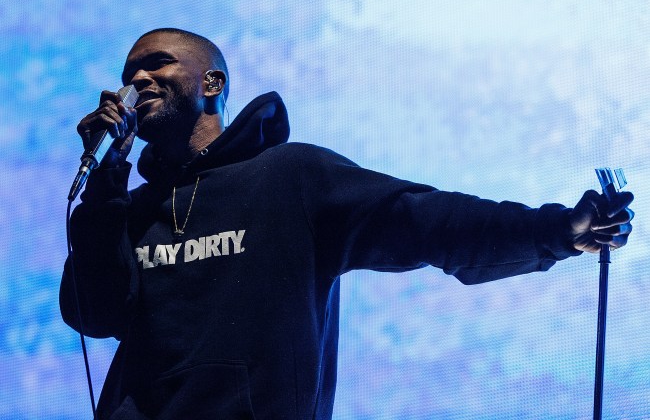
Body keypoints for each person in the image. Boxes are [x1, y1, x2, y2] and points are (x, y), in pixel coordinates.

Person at [60, 28, 634, 420]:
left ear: (212, 83)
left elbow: (427, 219)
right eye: (129, 71)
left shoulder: (291, 177)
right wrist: (107, 180)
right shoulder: (123, 212)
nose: (136, 79)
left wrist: (557, 230)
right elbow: (94, 312)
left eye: (157, 64)